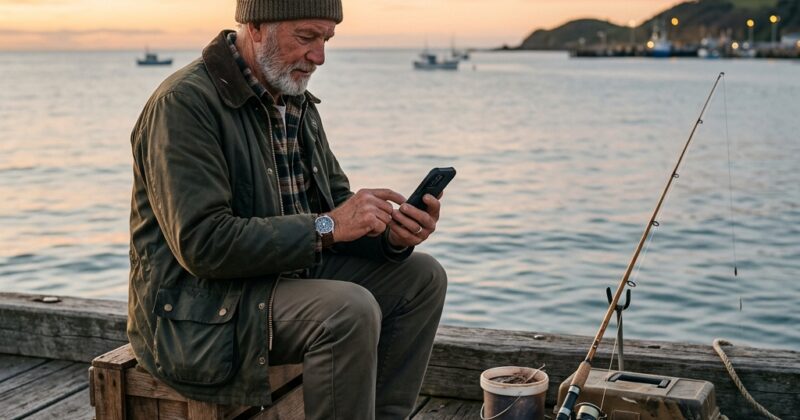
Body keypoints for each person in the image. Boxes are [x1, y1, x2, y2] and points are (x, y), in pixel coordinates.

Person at [126, 0, 448, 418]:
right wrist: (327, 226)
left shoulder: (295, 100)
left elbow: (335, 213)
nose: (320, 56)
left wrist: (390, 236)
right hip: (198, 311)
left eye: (327, 39)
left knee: (422, 278)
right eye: (307, 37)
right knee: (347, 310)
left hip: (280, 282)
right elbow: (203, 245)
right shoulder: (183, 105)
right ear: (256, 26)